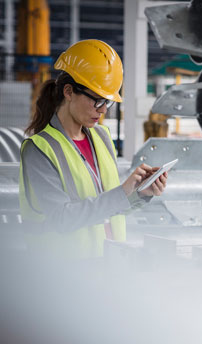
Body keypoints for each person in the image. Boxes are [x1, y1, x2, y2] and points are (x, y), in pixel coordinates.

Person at [19, 39, 168, 258]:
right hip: (59, 275)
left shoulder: (102, 137)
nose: (103, 111)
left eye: (107, 102)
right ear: (69, 92)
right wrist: (122, 192)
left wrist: (139, 195)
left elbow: (109, 208)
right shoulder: (39, 149)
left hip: (107, 264)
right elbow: (61, 218)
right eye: (97, 100)